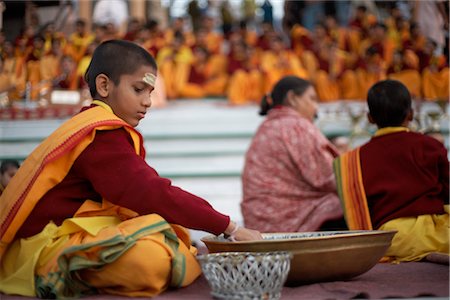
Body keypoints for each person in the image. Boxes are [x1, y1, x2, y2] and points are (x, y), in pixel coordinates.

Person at [0, 40, 262, 299]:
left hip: (71, 232)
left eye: (150, 91)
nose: (148, 101)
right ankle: (67, 272)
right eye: (138, 90)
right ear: (104, 85)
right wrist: (228, 227)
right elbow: (150, 192)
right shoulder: (99, 134)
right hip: (43, 248)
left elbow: (143, 194)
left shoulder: (95, 125)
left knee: (168, 232)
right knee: (151, 260)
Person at [334, 79, 449, 263]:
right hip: (438, 236)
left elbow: (360, 216)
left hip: (392, 240)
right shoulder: (431, 146)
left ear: (370, 118)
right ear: (411, 114)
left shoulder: (353, 160)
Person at [241, 76, 346, 233]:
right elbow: (332, 178)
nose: (316, 108)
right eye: (311, 99)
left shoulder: (267, 126)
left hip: (258, 220)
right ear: (292, 98)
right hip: (287, 219)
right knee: (352, 203)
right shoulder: (297, 125)